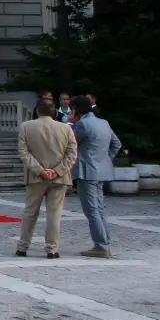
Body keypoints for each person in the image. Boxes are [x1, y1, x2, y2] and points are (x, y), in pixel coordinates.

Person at [15, 100, 78, 259]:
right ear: (55, 112)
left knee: (30, 212)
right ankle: (52, 248)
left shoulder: (26, 127)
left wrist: (40, 170)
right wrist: (57, 171)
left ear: (37, 111)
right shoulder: (65, 128)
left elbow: (24, 153)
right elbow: (71, 154)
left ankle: (22, 246)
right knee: (54, 214)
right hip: (59, 178)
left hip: (35, 177)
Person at [70, 94, 120, 257]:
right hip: (102, 169)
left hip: (87, 170)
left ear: (76, 109)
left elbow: (70, 141)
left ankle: (101, 245)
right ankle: (105, 242)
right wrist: (106, 159)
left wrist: (70, 123)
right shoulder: (103, 122)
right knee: (99, 208)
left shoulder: (83, 124)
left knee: (92, 209)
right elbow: (116, 144)